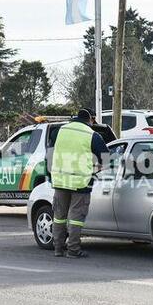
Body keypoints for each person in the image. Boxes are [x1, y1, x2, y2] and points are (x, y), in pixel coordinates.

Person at [50, 108, 108, 258]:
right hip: (80, 182)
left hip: (60, 180)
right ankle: (73, 250)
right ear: (91, 119)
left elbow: (51, 151)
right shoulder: (91, 135)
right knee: (76, 218)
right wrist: (98, 166)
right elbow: (106, 158)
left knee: (59, 216)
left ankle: (58, 249)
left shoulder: (60, 130)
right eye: (93, 121)